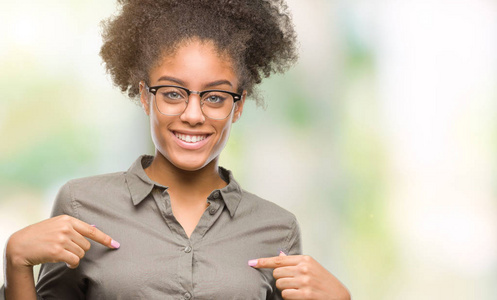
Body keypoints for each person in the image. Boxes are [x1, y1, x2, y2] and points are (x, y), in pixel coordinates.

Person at [2, 0, 350, 299]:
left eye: (215, 97)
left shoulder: (277, 229)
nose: (193, 115)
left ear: (239, 105)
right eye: (172, 93)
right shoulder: (81, 205)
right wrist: (16, 262)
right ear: (144, 96)